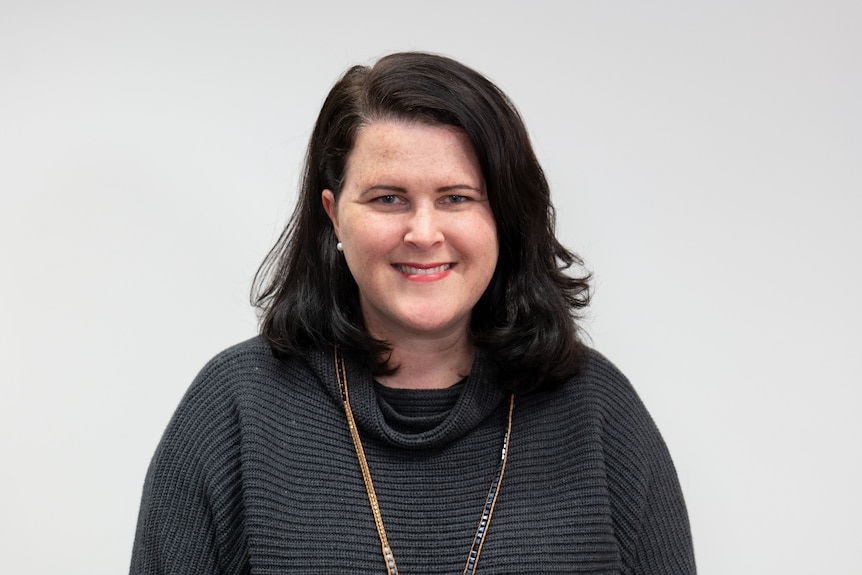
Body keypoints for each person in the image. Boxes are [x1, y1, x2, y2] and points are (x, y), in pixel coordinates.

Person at [130, 52, 696, 574]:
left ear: (503, 215)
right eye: (387, 199)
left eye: (456, 197)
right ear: (333, 216)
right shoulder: (234, 410)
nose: (424, 234)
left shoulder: (598, 412)